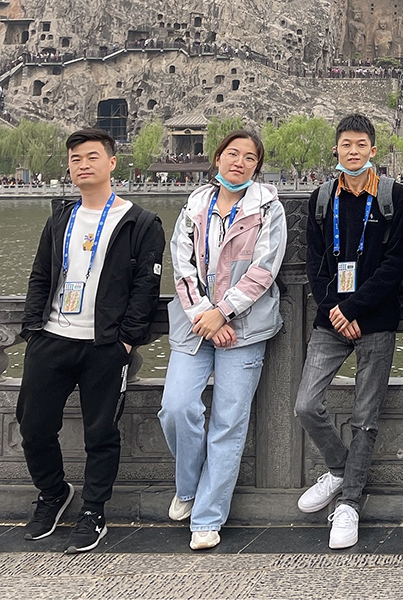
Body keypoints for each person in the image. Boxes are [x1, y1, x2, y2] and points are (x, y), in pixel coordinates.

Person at [17, 128, 165, 554]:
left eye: (92, 157)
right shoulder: (60, 218)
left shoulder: (141, 222)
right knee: (33, 425)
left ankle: (94, 512)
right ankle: (53, 494)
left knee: (101, 433)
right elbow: (41, 274)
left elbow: (146, 286)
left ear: (112, 162)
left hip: (104, 345)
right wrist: (32, 328)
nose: (82, 165)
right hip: (52, 337)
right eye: (75, 159)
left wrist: (127, 341)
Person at [158, 131, 286, 551]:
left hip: (244, 328)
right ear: (217, 158)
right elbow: (182, 265)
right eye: (233, 153)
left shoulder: (268, 207)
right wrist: (206, 315)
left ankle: (208, 517)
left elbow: (264, 270)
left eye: (250, 158)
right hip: (196, 324)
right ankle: (188, 487)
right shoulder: (195, 205)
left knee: (228, 423)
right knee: (176, 407)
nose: (239, 162)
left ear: (257, 167)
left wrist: (224, 312)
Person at [292, 114, 403, 549]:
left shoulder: (393, 196)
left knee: (365, 417)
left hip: (376, 319)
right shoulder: (322, 198)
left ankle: (349, 503)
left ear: (373, 150)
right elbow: (316, 264)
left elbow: (397, 264)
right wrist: (336, 310)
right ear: (336, 149)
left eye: (361, 144)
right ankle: (341, 468)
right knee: (306, 404)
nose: (354, 151)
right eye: (346, 144)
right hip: (331, 319)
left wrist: (354, 307)